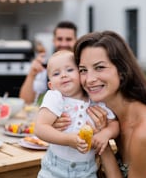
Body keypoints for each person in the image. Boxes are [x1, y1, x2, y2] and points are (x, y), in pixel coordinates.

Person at [57, 30, 146, 177]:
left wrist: (105, 147)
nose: (89, 80)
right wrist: (60, 124)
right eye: (83, 70)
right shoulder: (111, 116)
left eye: (100, 67)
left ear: (122, 71)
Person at [34, 50, 119, 178]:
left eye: (69, 70)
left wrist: (105, 134)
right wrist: (68, 140)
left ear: (81, 74)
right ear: (51, 85)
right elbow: (40, 128)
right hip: (54, 169)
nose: (63, 75)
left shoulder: (95, 100)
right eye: (56, 73)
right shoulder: (55, 97)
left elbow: (114, 124)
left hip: (86, 171)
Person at [19, 21, 77, 104]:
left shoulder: (83, 65)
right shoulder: (46, 69)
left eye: (68, 39)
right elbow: (26, 101)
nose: (64, 44)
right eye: (59, 39)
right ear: (54, 41)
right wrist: (32, 74)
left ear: (76, 40)